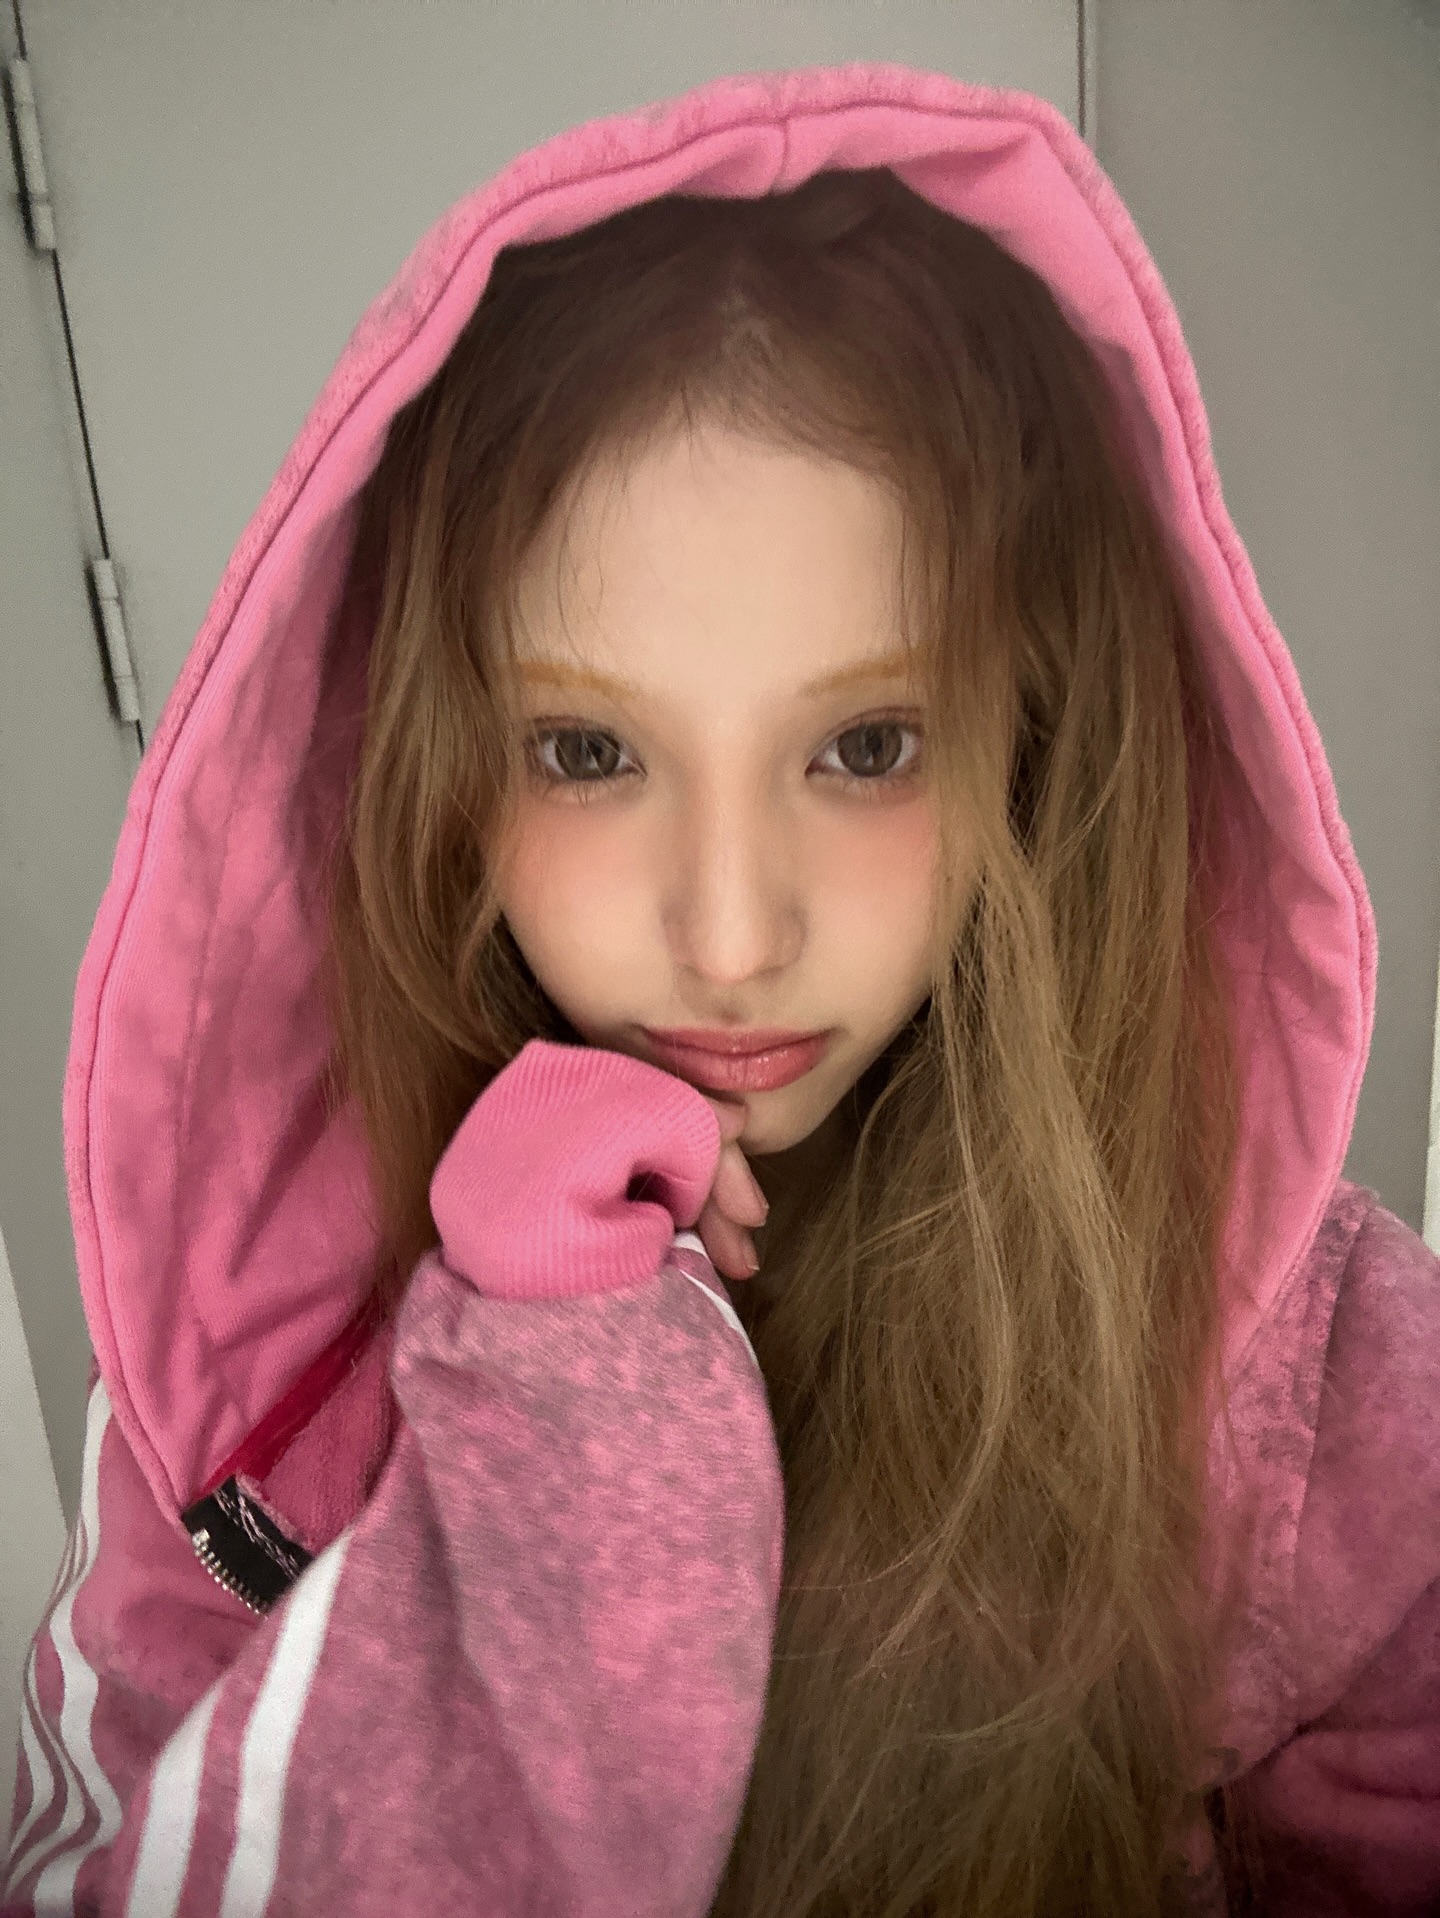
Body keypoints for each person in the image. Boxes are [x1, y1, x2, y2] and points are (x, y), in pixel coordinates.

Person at [3, 63, 1436, 1918]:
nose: (735, 934)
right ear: (432, 759)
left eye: (867, 745)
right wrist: (555, 1388)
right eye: (589, 752)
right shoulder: (267, 1340)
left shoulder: (1302, 1373)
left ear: (1027, 737)